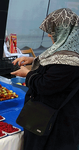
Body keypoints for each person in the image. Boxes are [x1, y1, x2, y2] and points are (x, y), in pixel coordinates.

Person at [11, 8, 79, 150]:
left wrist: (27, 74)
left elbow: (46, 85)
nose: (49, 35)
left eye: (53, 31)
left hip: (54, 125)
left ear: (66, 32)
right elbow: (53, 62)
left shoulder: (69, 62)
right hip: (47, 118)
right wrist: (33, 60)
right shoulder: (68, 51)